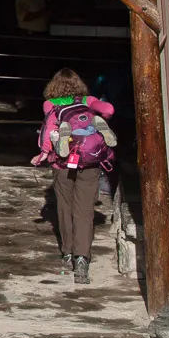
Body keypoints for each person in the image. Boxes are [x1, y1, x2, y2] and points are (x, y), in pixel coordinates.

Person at [33, 68, 117, 284]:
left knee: (65, 207)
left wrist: (43, 153)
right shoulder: (88, 100)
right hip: (90, 160)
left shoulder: (50, 105)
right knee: (85, 211)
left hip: (62, 163)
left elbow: (48, 130)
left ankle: (68, 252)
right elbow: (109, 109)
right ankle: (82, 260)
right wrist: (96, 116)